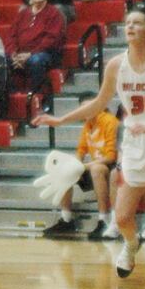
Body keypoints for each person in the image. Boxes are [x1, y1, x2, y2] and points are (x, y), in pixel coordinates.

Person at [35, 5, 145, 279]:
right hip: (136, 140)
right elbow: (98, 103)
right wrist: (60, 120)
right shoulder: (116, 65)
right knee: (121, 218)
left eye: (137, 23)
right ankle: (132, 244)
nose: (130, 26)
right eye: (127, 22)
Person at [41, 103, 118, 240]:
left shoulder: (109, 121)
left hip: (114, 167)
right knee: (65, 169)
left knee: (96, 169)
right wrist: (72, 165)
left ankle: (104, 219)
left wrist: (82, 166)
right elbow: (81, 151)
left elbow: (111, 157)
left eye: (88, 107)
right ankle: (66, 219)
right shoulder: (88, 124)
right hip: (96, 165)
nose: (85, 111)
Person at [6, 0, 65, 90]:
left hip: (44, 54)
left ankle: (36, 96)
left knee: (36, 60)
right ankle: (13, 95)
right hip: (20, 54)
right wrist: (14, 54)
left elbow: (51, 39)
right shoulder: (22, 13)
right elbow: (11, 36)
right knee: (0, 59)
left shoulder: (54, 13)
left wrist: (30, 54)